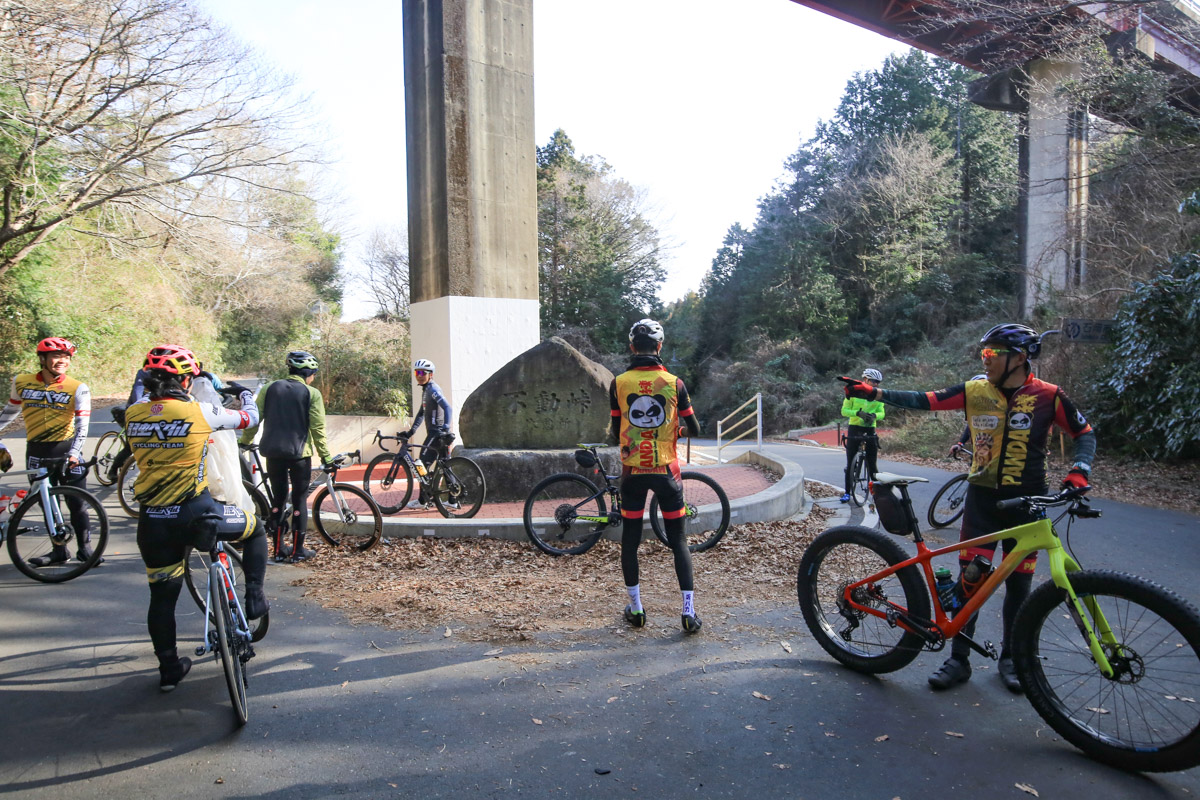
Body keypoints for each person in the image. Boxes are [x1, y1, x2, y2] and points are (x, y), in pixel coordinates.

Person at [842, 323, 1096, 692]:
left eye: (992, 354)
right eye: (983, 353)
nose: (985, 360)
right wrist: (875, 393)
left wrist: (1079, 470)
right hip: (982, 502)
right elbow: (925, 400)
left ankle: (1012, 658)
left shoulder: (1049, 396)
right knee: (971, 583)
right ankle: (958, 659)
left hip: (1028, 503)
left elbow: (1084, 433)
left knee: (1019, 586)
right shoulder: (974, 391)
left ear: (1019, 358)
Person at [124, 344, 267, 691]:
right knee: (256, 529)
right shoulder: (200, 412)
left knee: (162, 599)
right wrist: (246, 395)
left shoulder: (133, 415)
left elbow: (144, 407)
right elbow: (249, 419)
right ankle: (254, 597)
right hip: (197, 514)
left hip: (154, 522)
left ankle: (169, 669)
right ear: (186, 380)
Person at [609, 318, 704, 634]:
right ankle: (688, 613)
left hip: (632, 473)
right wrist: (674, 431)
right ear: (660, 346)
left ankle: (636, 610)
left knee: (630, 542)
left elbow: (615, 432)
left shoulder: (618, 383)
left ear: (632, 347)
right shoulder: (675, 383)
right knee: (678, 541)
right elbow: (694, 428)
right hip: (667, 472)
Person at [0, 337, 98, 565]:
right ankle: (59, 551)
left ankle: (86, 550)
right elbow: (10, 411)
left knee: (77, 503)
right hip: (36, 452)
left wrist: (75, 453)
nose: (62, 361)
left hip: (67, 450)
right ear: (43, 359)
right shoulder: (21, 382)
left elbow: (82, 426)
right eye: (56, 356)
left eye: (66, 357)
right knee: (47, 503)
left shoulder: (78, 387)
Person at [239, 350, 333, 562]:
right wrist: (326, 457)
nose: (313, 377)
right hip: (299, 455)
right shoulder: (312, 393)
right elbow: (317, 429)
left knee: (278, 499)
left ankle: (278, 551)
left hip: (273, 453)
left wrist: (244, 441)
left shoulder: (270, 388)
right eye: (314, 373)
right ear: (308, 373)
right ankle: (298, 551)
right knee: (299, 500)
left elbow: (255, 419)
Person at [403, 358, 453, 510]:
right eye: (417, 373)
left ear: (430, 374)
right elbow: (421, 413)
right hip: (438, 433)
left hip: (436, 434)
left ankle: (422, 500)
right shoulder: (426, 390)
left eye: (422, 373)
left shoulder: (433, 390)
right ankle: (452, 500)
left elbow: (447, 408)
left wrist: (445, 428)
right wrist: (411, 431)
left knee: (421, 464)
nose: (419, 376)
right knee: (445, 466)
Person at [840, 367, 885, 502]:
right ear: (865, 379)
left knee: (873, 465)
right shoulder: (853, 393)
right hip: (855, 428)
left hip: (870, 429)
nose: (876, 384)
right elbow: (844, 411)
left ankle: (878, 496)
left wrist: (874, 415)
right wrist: (857, 413)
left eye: (878, 382)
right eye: (873, 381)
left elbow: (882, 413)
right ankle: (847, 493)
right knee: (850, 463)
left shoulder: (878, 395)